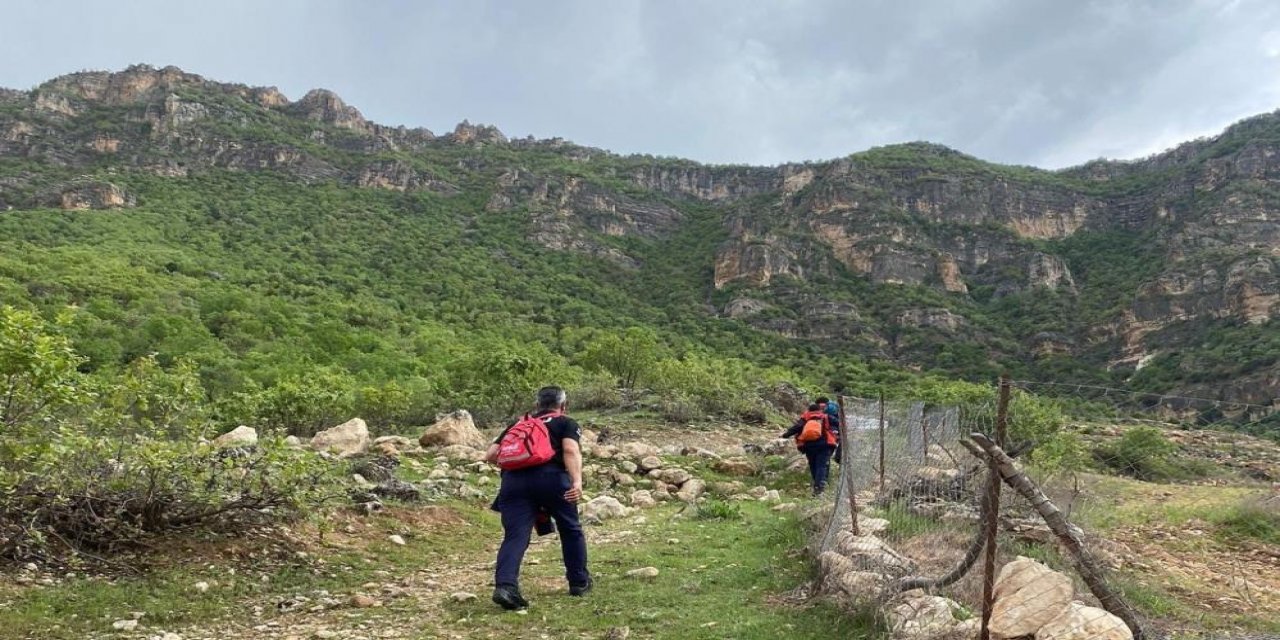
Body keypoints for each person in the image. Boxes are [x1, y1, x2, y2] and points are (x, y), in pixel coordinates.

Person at [485, 386, 591, 610]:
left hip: (513, 483)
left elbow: (491, 455)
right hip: (553, 479)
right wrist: (577, 482)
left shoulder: (519, 424)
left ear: (537, 406)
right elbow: (570, 450)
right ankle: (579, 582)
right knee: (570, 529)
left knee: (515, 536)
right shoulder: (566, 422)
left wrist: (517, 469)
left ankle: (506, 587)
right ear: (563, 406)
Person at [780, 403, 838, 496]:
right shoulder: (826, 417)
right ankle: (819, 487)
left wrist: (785, 435)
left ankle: (816, 484)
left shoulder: (805, 418)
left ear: (809, 410)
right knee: (821, 466)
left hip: (808, 446)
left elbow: (796, 428)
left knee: (813, 465)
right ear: (819, 410)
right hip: (824, 445)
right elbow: (838, 424)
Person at [817, 396, 842, 462]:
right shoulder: (833, 405)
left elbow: (830, 418)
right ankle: (836, 458)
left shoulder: (829, 407)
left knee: (831, 442)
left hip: (832, 426)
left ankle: (834, 458)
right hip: (836, 425)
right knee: (835, 441)